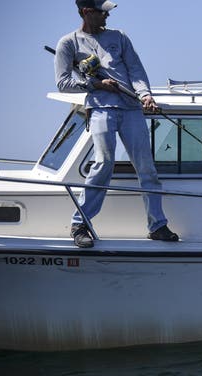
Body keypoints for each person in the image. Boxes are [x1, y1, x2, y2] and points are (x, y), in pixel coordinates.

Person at [55, 0, 178, 248]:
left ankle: (157, 226)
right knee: (103, 164)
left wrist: (145, 95)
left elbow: (136, 71)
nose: (107, 17)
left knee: (147, 168)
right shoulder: (68, 43)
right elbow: (62, 82)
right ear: (87, 12)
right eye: (103, 12)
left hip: (131, 109)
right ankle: (80, 225)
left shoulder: (119, 37)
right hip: (100, 109)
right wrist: (96, 84)